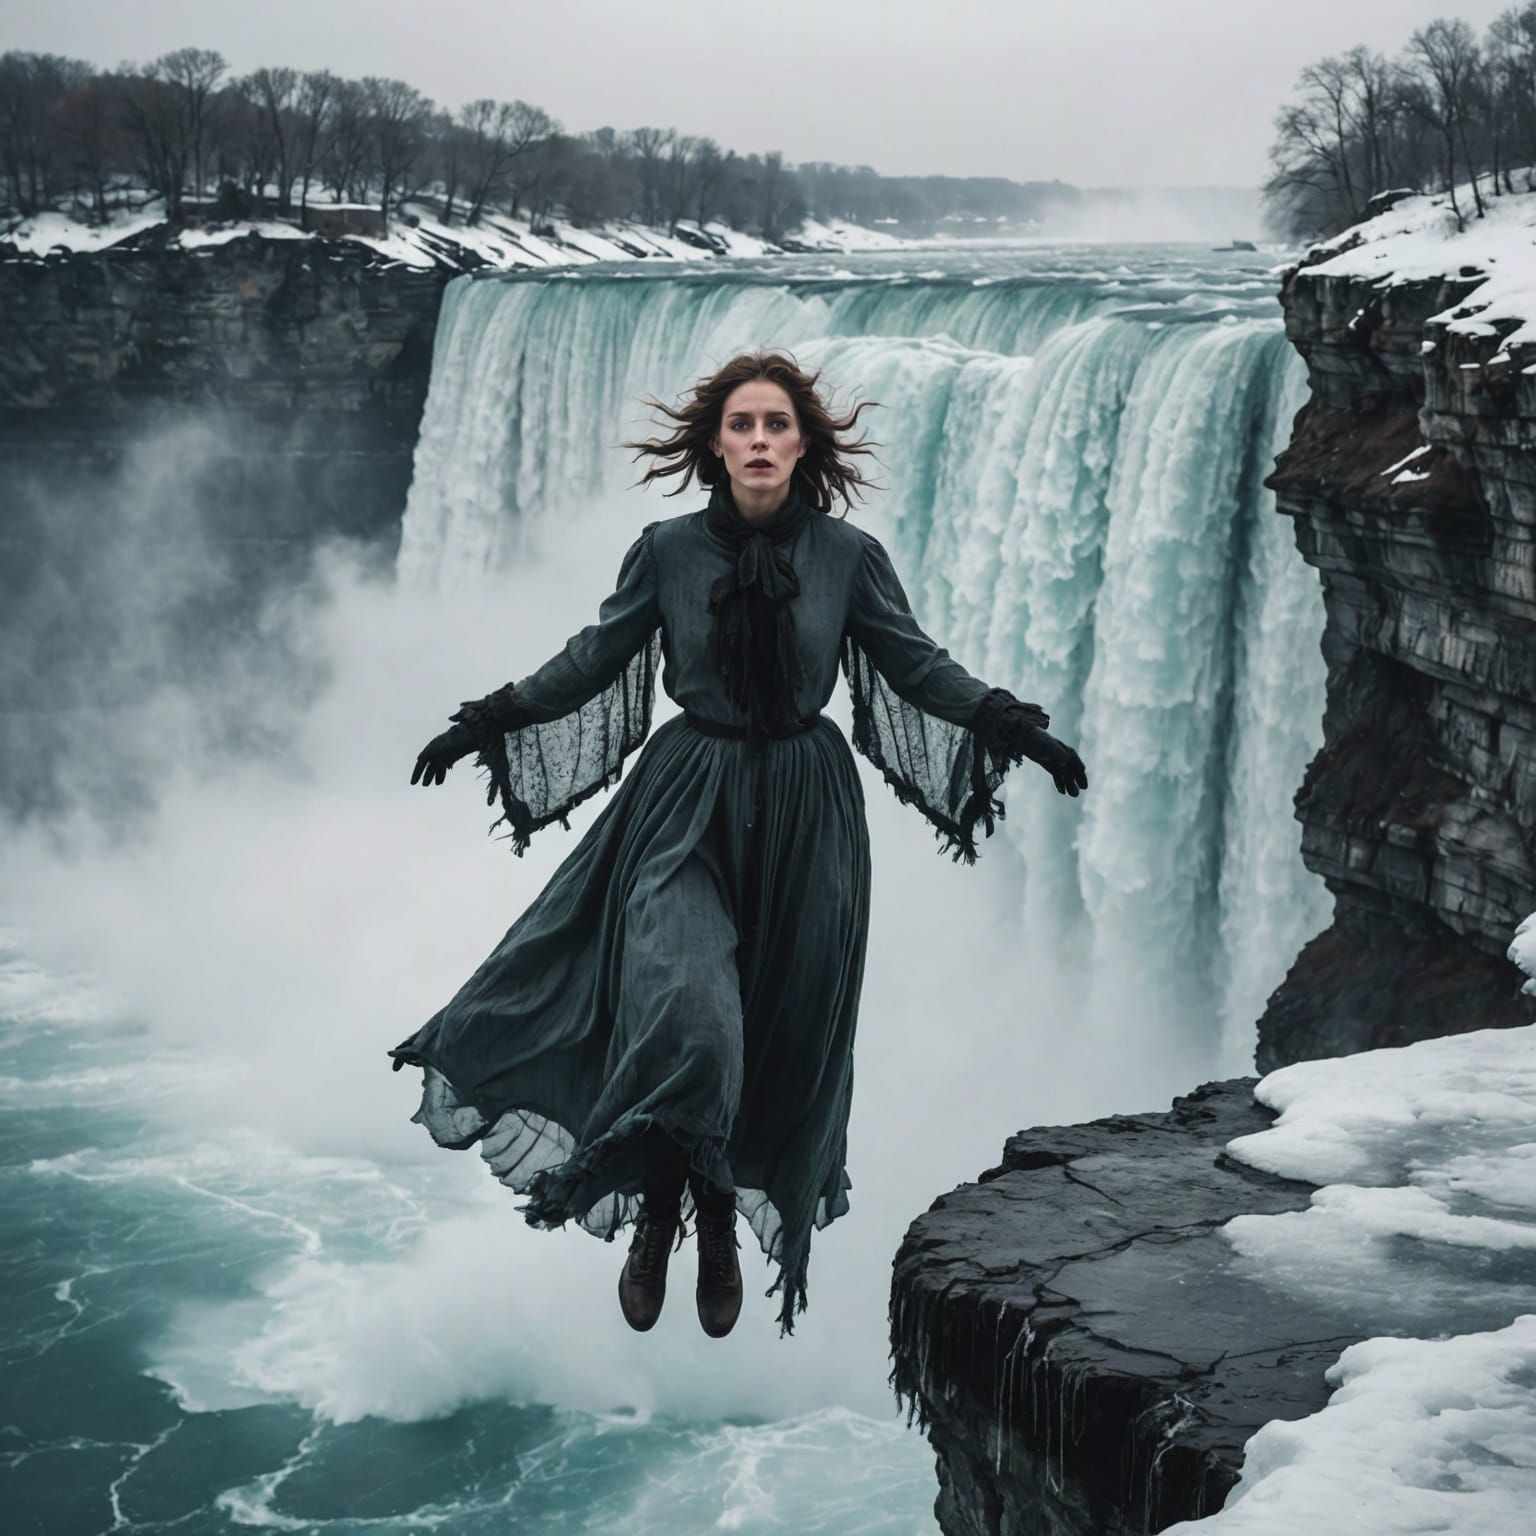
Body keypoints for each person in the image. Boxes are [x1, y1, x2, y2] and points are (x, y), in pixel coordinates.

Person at [389, 349, 1087, 1341]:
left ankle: (715, 1215)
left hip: (809, 817)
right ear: (714, 445)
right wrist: (484, 722)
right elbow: (596, 656)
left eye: (777, 425)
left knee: (777, 1039)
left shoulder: (851, 560)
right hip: (686, 802)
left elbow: (916, 666)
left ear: (804, 446)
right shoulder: (667, 552)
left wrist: (1014, 728)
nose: (759, 441)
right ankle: (662, 1215)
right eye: (742, 425)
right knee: (688, 1016)